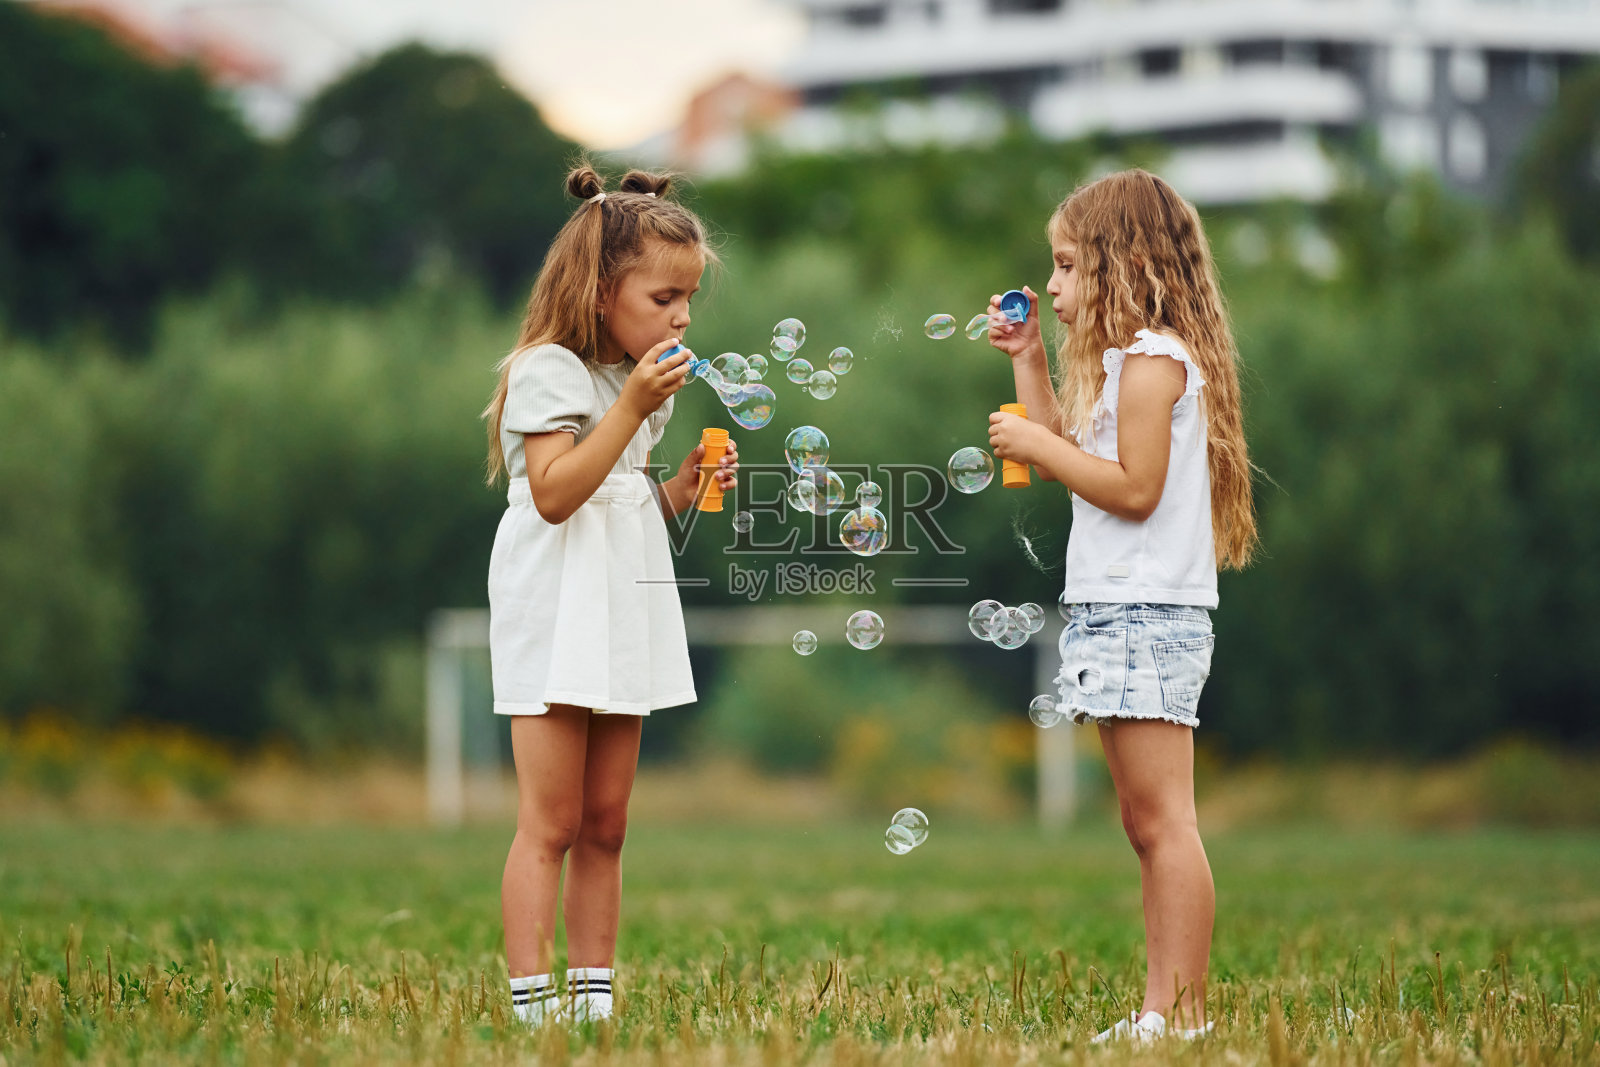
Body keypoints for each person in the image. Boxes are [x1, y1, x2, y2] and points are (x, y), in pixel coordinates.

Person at [985, 169, 1257, 1043]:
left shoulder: (1153, 363)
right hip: (1116, 609)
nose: (1053, 284)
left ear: (1123, 263)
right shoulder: (1124, 366)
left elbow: (1133, 490)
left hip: (1146, 613)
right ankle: (1160, 1007)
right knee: (1145, 823)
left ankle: (1181, 1015)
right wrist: (1028, 362)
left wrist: (1035, 446)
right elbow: (1073, 454)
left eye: (1067, 265)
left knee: (1165, 821)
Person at [481, 163, 737, 1026]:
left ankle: (593, 1002)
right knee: (550, 822)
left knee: (607, 823)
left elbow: (619, 504)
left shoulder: (639, 388)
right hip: (556, 614)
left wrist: (683, 487)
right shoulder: (548, 369)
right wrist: (630, 407)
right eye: (665, 297)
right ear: (599, 291)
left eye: (689, 298)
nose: (683, 316)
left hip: (621, 607)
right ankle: (532, 1005)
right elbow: (557, 495)